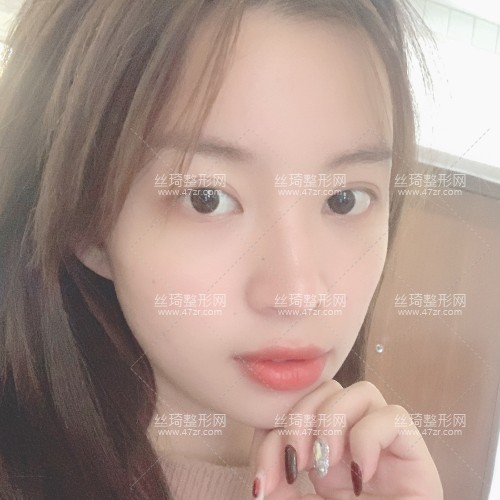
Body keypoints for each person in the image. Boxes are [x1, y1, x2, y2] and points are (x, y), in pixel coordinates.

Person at [0, 0, 443, 498]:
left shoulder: (379, 483)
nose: (298, 294)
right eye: (206, 198)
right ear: (87, 222)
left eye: (345, 199)